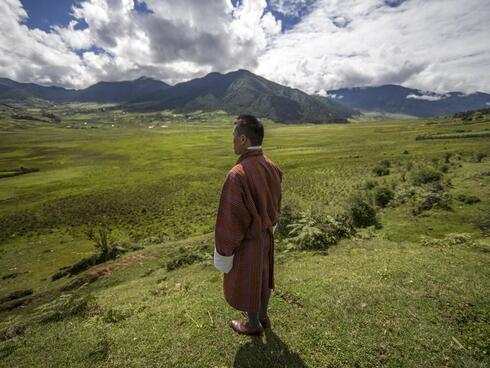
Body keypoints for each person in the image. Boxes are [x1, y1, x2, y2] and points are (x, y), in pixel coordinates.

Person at [214, 114, 283, 336]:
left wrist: (225, 249)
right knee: (264, 274)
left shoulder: (237, 175)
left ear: (243, 139)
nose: (232, 140)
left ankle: (252, 324)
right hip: (266, 234)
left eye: (233, 136)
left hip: (249, 240)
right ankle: (263, 315)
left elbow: (231, 218)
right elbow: (276, 202)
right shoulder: (272, 166)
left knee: (250, 277)